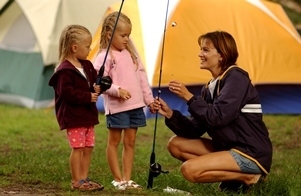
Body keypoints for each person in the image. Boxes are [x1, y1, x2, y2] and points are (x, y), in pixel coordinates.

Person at [152, 30, 273, 192]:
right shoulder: (210, 88)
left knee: (189, 170)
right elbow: (194, 130)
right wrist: (170, 114)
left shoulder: (236, 78)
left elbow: (218, 117)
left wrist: (188, 97)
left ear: (222, 55)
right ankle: (235, 181)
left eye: (206, 50)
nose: (200, 54)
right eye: (201, 49)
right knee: (175, 144)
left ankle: (248, 177)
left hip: (250, 152)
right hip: (229, 148)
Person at [93, 12, 154, 190]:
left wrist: (149, 100)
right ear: (109, 35)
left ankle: (127, 179)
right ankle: (117, 179)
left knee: (130, 142)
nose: (127, 39)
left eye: (128, 35)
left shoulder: (130, 54)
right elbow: (98, 81)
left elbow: (142, 78)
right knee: (114, 142)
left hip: (135, 106)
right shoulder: (105, 57)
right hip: (117, 108)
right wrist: (117, 91)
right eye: (123, 35)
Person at [48, 25, 104, 191]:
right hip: (74, 116)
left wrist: (100, 86)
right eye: (87, 46)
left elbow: (94, 82)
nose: (90, 49)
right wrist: (87, 96)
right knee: (78, 148)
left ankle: (84, 178)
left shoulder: (87, 65)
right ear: (74, 47)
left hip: (88, 115)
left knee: (88, 148)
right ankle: (76, 181)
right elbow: (66, 93)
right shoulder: (64, 71)